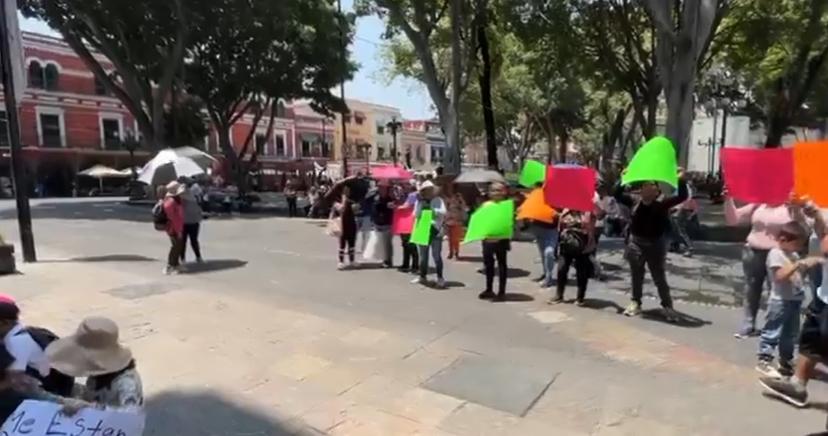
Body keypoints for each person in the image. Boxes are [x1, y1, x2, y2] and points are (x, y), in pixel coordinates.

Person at [760, 208, 827, 407]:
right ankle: (797, 385)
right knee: (811, 339)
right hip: (823, 295)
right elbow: (823, 235)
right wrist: (816, 216)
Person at [725, 189, 809, 338]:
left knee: (776, 292)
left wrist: (796, 208)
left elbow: (803, 228)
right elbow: (734, 220)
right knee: (751, 288)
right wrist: (728, 199)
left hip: (778, 255)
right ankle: (748, 324)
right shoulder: (758, 205)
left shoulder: (789, 206)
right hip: (753, 251)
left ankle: (774, 327)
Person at [614, 171, 688, 322]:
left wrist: (681, 181)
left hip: (656, 245)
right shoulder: (634, 201)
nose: (648, 188)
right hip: (636, 243)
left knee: (659, 277)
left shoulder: (662, 204)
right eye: (645, 185)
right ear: (641, 189)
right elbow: (617, 194)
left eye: (652, 185)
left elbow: (682, 197)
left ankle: (667, 306)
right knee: (637, 275)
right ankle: (636, 302)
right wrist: (622, 178)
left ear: (656, 191)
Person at [754, 221, 820, 378]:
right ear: (783, 240)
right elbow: (779, 276)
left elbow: (797, 276)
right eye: (797, 244)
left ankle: (786, 361)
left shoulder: (793, 254)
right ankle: (764, 359)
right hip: (780, 300)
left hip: (794, 300)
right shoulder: (776, 254)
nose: (799, 248)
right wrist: (798, 264)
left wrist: (806, 266)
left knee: (790, 333)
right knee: (772, 330)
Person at [46, 317, 143, 408]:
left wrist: (89, 407)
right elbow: (90, 395)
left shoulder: (126, 384)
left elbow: (130, 415)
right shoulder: (99, 375)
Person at [550, 208, 596, 306]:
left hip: (583, 247)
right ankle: (559, 295)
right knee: (561, 269)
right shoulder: (566, 211)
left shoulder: (588, 212)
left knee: (581, 272)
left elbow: (591, 226)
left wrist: (577, 225)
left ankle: (580, 297)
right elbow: (560, 227)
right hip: (566, 245)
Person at [478, 182, 512, 301]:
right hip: (488, 239)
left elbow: (510, 222)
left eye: (499, 190)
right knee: (488, 265)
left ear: (504, 192)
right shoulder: (486, 205)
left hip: (502, 240)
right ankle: (489, 289)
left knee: (502, 265)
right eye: (494, 190)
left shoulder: (507, 205)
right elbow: (480, 220)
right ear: (489, 193)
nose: (497, 193)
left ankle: (501, 291)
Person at [413, 181, 447, 288]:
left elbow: (443, 212)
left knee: (436, 255)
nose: (429, 191)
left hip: (435, 229)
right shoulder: (419, 201)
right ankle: (422, 276)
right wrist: (421, 208)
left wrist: (432, 210)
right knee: (423, 256)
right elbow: (415, 214)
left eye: (431, 189)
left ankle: (440, 278)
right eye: (427, 189)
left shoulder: (438, 200)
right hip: (423, 227)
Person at [526, 183, 559, 288]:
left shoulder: (558, 198)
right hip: (538, 228)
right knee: (542, 253)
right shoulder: (536, 196)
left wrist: (557, 214)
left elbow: (563, 213)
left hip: (552, 230)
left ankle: (548, 277)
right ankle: (546, 274)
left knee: (549, 252)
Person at [163, 181, 186, 275]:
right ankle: (170, 265)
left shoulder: (176, 200)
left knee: (178, 246)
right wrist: (179, 230)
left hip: (178, 227)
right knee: (175, 247)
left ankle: (175, 264)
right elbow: (173, 219)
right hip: (174, 229)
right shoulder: (171, 202)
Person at [669, 182, 698, 257]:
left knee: (680, 230)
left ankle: (689, 247)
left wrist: (676, 208)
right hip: (681, 210)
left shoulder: (684, 186)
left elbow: (684, 200)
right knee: (674, 229)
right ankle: (675, 245)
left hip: (681, 211)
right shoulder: (684, 186)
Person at [371, 181, 395, 268]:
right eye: (379, 187)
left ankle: (388, 260)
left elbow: (391, 208)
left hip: (387, 223)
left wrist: (387, 204)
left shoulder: (390, 198)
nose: (381, 189)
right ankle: (384, 259)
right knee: (381, 243)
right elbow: (374, 208)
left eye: (382, 188)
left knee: (387, 243)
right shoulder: (376, 197)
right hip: (378, 223)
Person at [334, 185, 358, 270]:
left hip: (352, 224)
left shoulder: (352, 200)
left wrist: (354, 206)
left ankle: (352, 260)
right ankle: (341, 262)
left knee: (352, 243)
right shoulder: (337, 201)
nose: (346, 192)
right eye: (345, 191)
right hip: (342, 224)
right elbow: (340, 209)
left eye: (348, 191)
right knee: (342, 244)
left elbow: (356, 210)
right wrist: (343, 202)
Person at [398, 182, 419, 273]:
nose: (403, 187)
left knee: (410, 244)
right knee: (405, 244)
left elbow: (407, 206)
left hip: (410, 221)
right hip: (404, 221)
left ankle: (414, 265)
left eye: (406, 185)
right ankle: (406, 264)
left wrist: (397, 207)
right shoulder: (404, 195)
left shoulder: (413, 195)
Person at [180, 182, 204, 264]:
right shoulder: (195, 198)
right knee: (194, 241)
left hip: (184, 222)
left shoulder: (182, 199)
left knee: (183, 241)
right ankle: (198, 257)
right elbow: (199, 210)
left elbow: (180, 211)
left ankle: (183, 259)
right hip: (194, 222)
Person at [444, 184, 468, 260]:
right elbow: (445, 208)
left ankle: (456, 252)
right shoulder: (446, 198)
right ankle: (450, 252)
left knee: (456, 239)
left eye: (451, 188)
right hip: (448, 220)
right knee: (450, 238)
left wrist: (460, 200)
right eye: (448, 188)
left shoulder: (458, 198)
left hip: (457, 220)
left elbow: (464, 207)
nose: (449, 190)